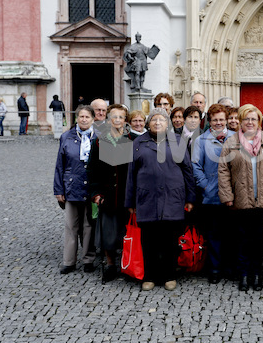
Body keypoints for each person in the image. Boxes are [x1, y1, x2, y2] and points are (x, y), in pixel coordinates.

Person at [125, 108, 196, 291]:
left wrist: (190, 197)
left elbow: (188, 170)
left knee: (170, 240)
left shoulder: (178, 141)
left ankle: (169, 275)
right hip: (146, 199)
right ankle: (150, 276)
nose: (158, 123)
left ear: (168, 123)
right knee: (149, 240)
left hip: (173, 198)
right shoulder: (139, 143)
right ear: (148, 123)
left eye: (162, 120)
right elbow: (131, 175)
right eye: (154, 120)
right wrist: (130, 202)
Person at [218, 104, 263, 292]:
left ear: (259, 121)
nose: (250, 122)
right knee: (242, 240)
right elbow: (223, 171)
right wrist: (227, 196)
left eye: (254, 119)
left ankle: (257, 274)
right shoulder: (231, 143)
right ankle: (244, 275)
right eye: (246, 119)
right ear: (240, 121)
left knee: (258, 241)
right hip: (240, 201)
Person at [87, 104, 132, 283]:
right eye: (114, 117)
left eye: (121, 117)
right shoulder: (100, 141)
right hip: (107, 194)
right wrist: (96, 194)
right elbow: (92, 169)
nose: (117, 120)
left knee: (125, 232)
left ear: (125, 120)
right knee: (108, 233)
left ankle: (126, 264)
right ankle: (110, 264)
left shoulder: (131, 140)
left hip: (125, 195)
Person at [192, 104, 235, 284]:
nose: (218, 123)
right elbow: (195, 166)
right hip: (211, 196)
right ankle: (215, 268)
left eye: (221, 120)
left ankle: (230, 267)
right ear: (209, 121)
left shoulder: (236, 138)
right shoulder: (201, 140)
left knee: (231, 233)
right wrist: (206, 186)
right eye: (215, 119)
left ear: (226, 120)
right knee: (214, 234)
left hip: (233, 196)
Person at [53, 105, 97, 274]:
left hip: (91, 188)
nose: (84, 119)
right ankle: (69, 261)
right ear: (76, 118)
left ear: (93, 119)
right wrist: (59, 189)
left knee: (89, 226)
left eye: (87, 117)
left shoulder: (99, 137)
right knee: (71, 225)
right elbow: (60, 165)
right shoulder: (66, 137)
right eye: (81, 116)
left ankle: (88, 259)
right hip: (72, 186)